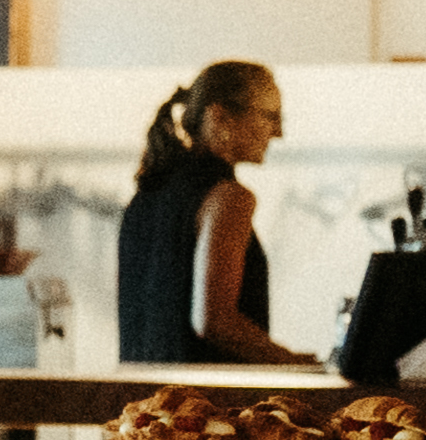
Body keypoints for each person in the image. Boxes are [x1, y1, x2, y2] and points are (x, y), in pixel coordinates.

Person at [119, 59, 306, 368]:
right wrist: (297, 365)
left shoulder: (145, 195)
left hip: (144, 408)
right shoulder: (230, 197)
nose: (278, 132)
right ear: (220, 117)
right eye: (270, 116)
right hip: (205, 408)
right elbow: (215, 322)